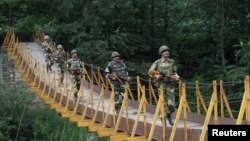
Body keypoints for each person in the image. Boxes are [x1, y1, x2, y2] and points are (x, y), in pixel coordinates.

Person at [148, 45, 180, 126]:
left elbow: (175, 72)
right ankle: (163, 119)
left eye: (167, 51)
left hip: (170, 85)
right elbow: (150, 72)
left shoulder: (172, 62)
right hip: (161, 86)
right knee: (162, 103)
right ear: (161, 53)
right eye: (164, 51)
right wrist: (156, 76)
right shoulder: (157, 62)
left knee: (172, 105)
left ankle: (168, 115)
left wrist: (176, 76)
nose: (167, 52)